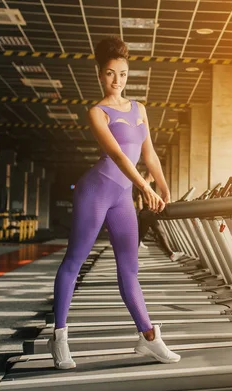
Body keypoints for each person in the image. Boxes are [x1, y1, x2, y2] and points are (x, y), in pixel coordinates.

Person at [48, 37, 181, 370]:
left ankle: (148, 338)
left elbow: (148, 152)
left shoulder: (140, 109)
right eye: (110, 74)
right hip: (95, 191)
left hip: (122, 197)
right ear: (100, 75)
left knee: (130, 269)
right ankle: (59, 338)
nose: (117, 80)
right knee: (73, 262)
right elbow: (118, 155)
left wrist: (162, 186)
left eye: (122, 74)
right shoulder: (96, 112)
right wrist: (143, 188)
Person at [135, 171, 185, 262]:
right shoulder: (145, 184)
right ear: (150, 173)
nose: (154, 178)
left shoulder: (145, 184)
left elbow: (140, 199)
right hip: (148, 212)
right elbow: (144, 200)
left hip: (147, 212)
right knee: (150, 234)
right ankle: (171, 254)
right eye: (153, 175)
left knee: (154, 233)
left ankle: (171, 254)